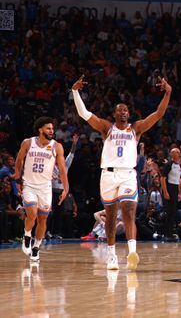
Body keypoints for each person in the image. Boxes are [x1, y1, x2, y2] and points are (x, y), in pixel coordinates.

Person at [71, 75, 172, 270]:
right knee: (110, 216)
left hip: (127, 174)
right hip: (108, 175)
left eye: (126, 110)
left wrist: (168, 92)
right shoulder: (106, 128)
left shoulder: (136, 129)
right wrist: (75, 91)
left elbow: (158, 114)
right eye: (120, 110)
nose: (123, 112)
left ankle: (132, 251)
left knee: (128, 209)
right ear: (115, 114)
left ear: (129, 113)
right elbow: (84, 113)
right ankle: (111, 254)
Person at [12, 117, 68, 262]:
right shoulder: (28, 142)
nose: (51, 131)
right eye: (48, 128)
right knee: (32, 213)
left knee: (43, 218)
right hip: (29, 184)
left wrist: (66, 188)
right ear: (40, 129)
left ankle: (36, 247)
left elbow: (62, 169)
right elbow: (19, 160)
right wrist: (18, 177)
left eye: (52, 129)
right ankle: (27, 234)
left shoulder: (57, 146)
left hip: (45, 187)